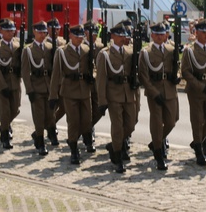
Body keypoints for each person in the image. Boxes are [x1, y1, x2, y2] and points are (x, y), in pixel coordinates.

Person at [96, 23, 138, 173]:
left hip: (128, 94)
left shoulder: (129, 52)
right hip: (113, 94)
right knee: (118, 126)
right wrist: (102, 101)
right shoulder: (105, 54)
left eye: (124, 35)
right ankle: (118, 157)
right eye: (119, 35)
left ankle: (114, 145)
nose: (122, 38)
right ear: (112, 37)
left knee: (131, 124)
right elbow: (101, 79)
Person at [49, 24, 94, 164]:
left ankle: (86, 138)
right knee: (73, 121)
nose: (80, 39)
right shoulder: (62, 52)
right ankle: (74, 149)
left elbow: (93, 67)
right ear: (71, 36)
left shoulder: (87, 50)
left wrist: (92, 75)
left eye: (82, 37)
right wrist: (53, 95)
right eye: (77, 37)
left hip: (85, 90)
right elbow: (56, 75)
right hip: (69, 90)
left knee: (87, 120)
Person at [139, 22, 179, 171]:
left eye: (163, 34)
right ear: (152, 35)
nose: (160, 37)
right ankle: (158, 153)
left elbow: (176, 66)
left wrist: (177, 76)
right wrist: (153, 93)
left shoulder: (171, 49)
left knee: (172, 121)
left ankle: (157, 141)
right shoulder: (146, 52)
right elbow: (143, 75)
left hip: (169, 89)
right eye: (157, 34)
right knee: (156, 122)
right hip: (154, 90)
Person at [181, 19, 206, 166]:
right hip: (196, 90)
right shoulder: (189, 51)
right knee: (197, 120)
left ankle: (198, 141)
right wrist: (200, 86)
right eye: (203, 32)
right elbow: (186, 72)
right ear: (196, 33)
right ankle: (198, 149)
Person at [21, 21, 54, 156]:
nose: (42, 35)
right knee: (39, 117)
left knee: (50, 116)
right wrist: (29, 90)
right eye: (40, 32)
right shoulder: (28, 50)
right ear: (34, 32)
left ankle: (41, 136)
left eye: (44, 32)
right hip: (36, 86)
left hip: (49, 87)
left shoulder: (50, 48)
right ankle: (40, 142)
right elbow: (25, 71)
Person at [0, 19, 22, 150]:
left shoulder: (18, 44)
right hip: (2, 82)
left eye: (12, 30)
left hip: (15, 81)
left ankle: (4, 125)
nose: (10, 33)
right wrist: (2, 86)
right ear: (1, 31)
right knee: (5, 111)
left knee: (15, 109)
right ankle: (5, 137)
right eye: (7, 30)